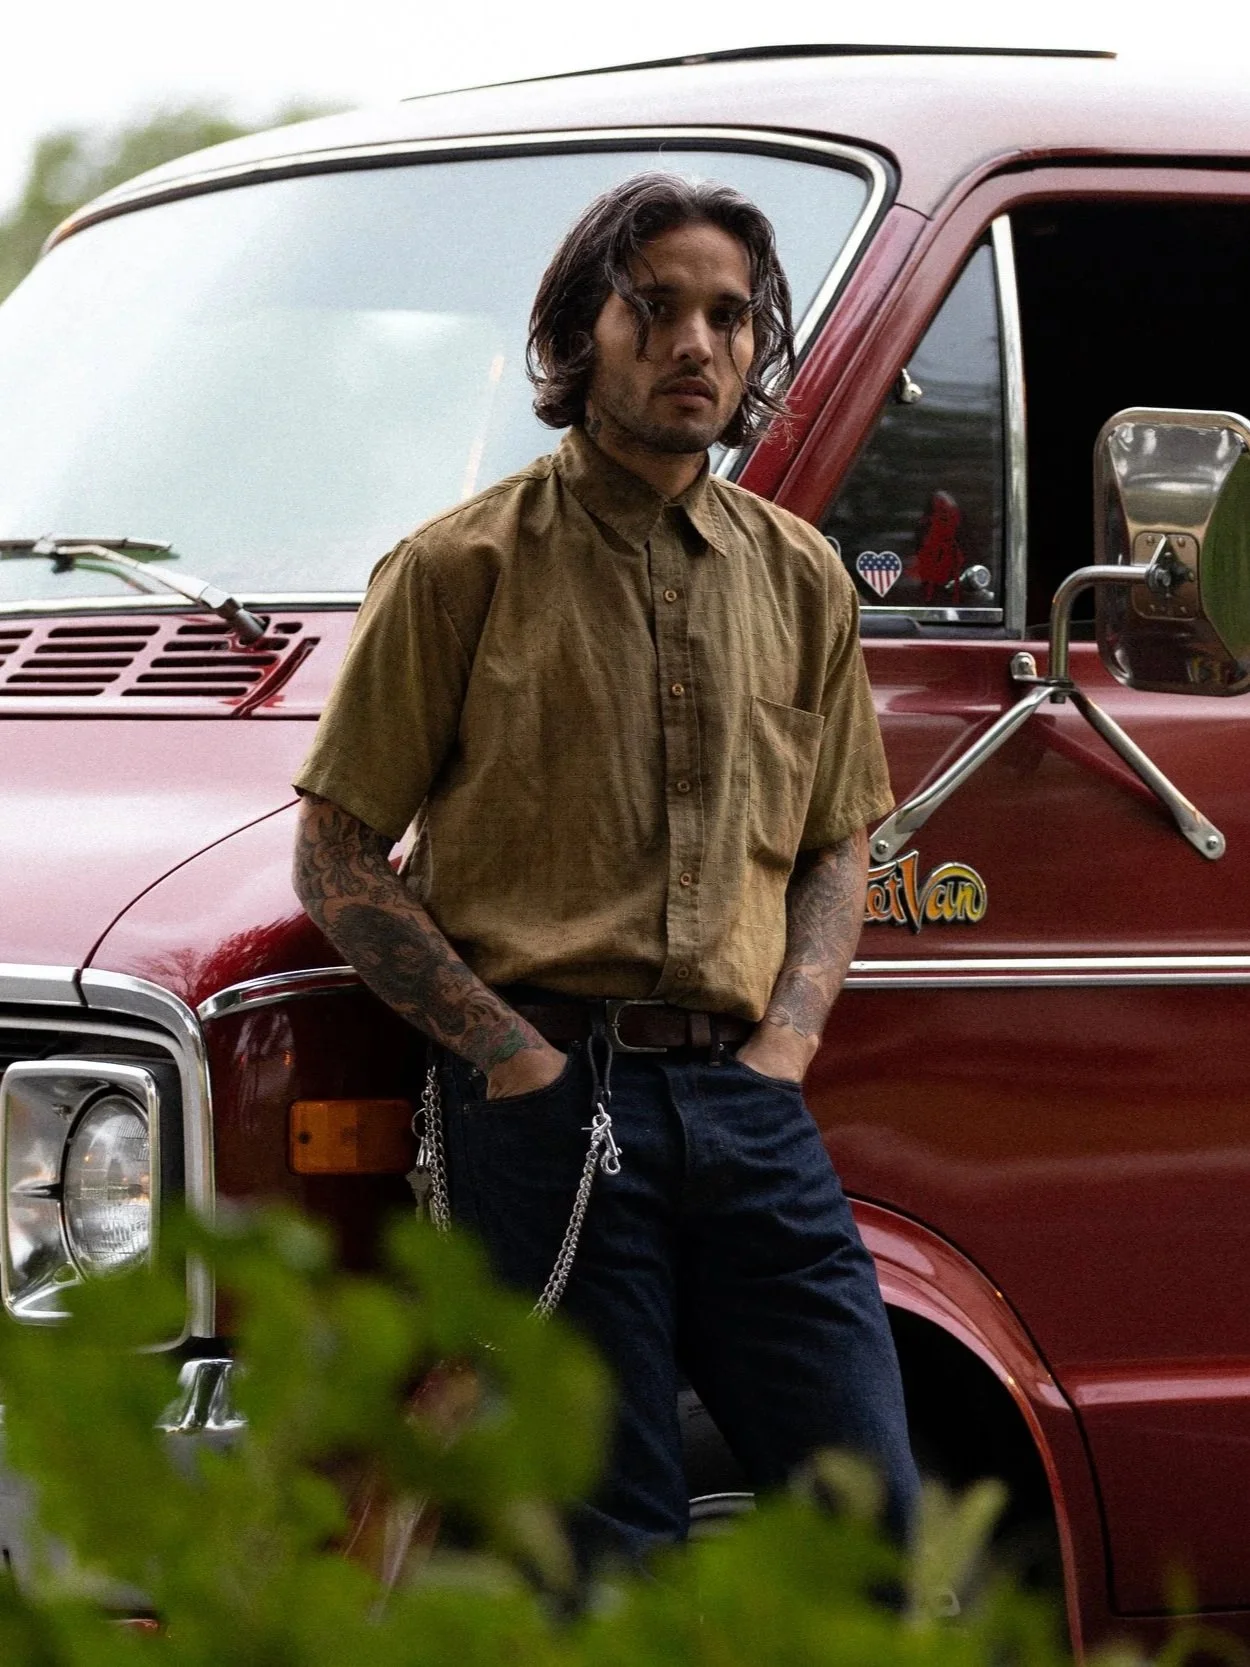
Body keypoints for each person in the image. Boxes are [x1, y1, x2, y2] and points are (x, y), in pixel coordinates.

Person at [291, 172, 919, 1570]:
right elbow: (332, 855)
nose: (696, 343)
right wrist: (507, 1057)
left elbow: (835, 836)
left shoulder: (801, 575)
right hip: (548, 1105)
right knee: (607, 1542)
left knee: (867, 1512)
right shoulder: (458, 567)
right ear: (583, 331)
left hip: (748, 1109)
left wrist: (789, 1044)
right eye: (655, 308)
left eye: (729, 316)